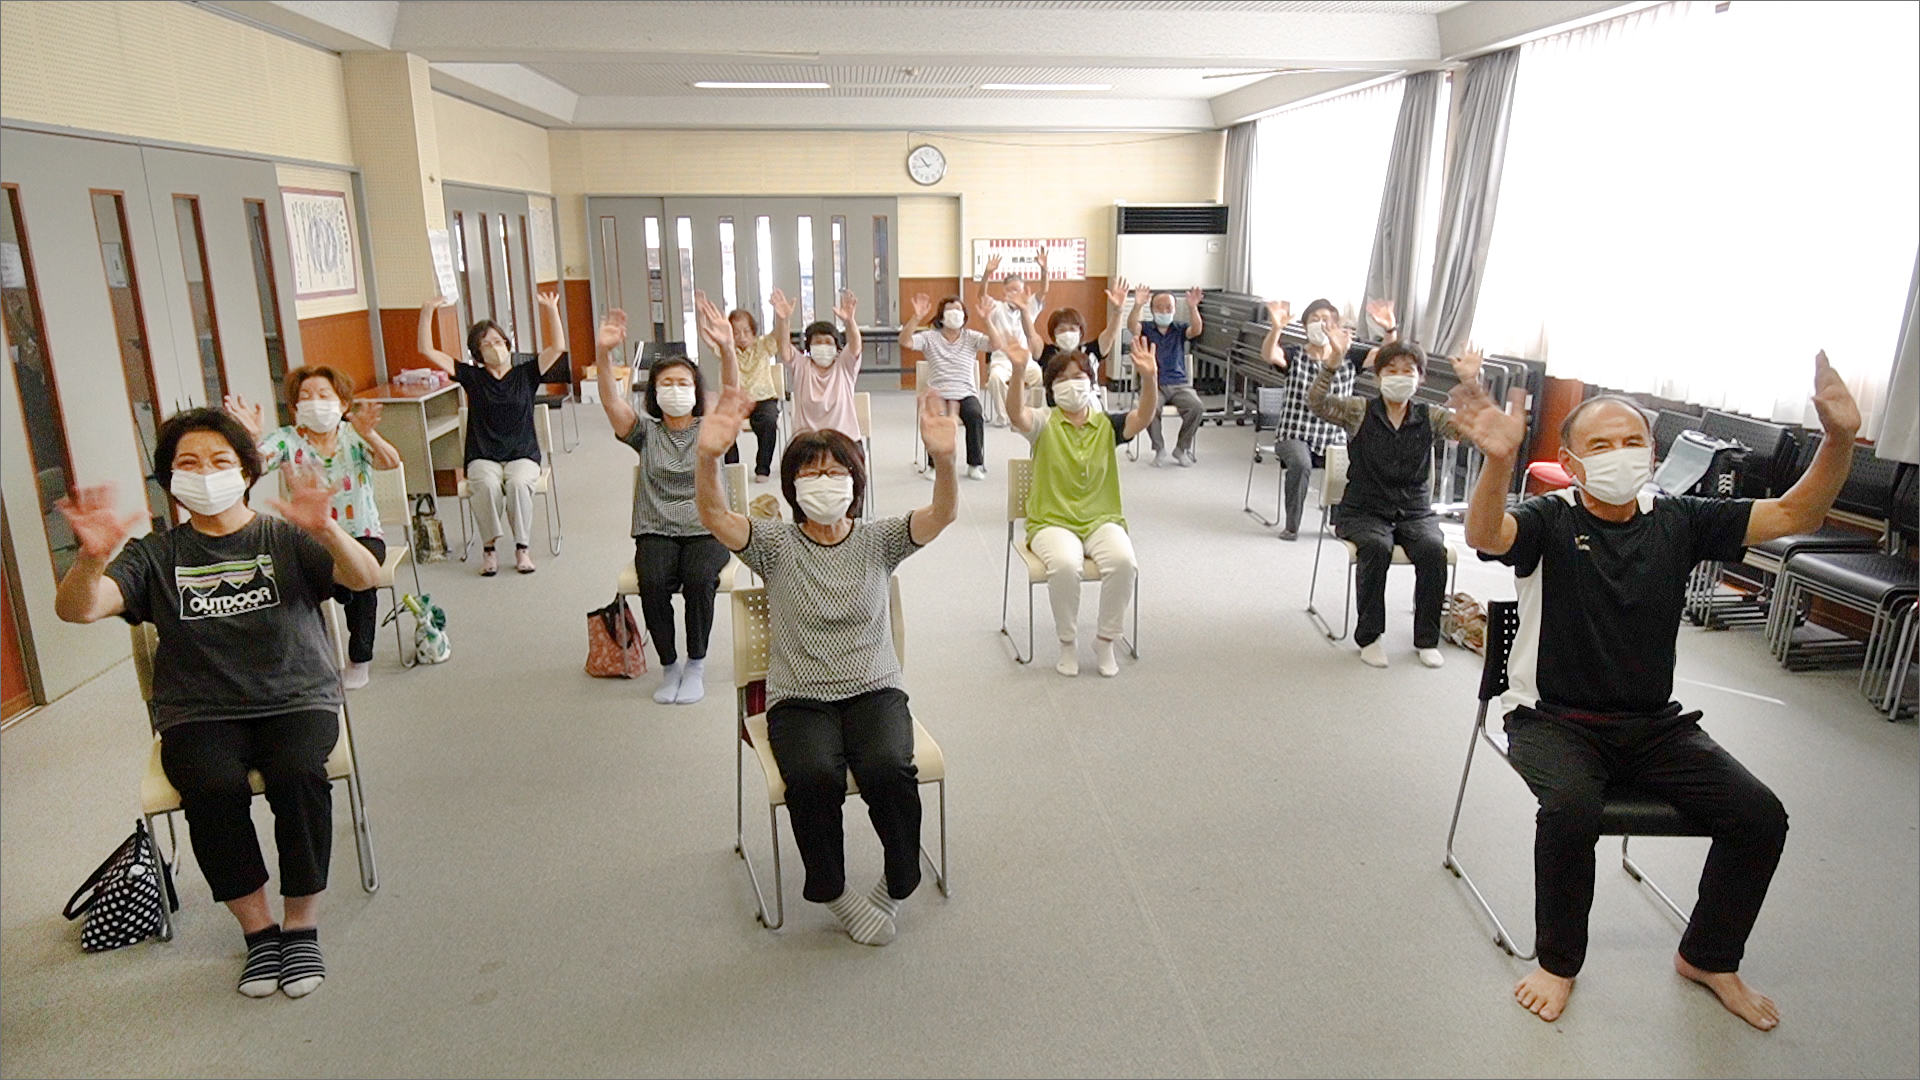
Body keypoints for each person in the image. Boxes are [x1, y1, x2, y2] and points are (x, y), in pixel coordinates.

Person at [1450, 351, 1860, 1031]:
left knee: (1759, 815)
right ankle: (1559, 963)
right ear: (1572, 462)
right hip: (1553, 719)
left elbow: (1793, 511)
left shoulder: (1678, 518)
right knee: (1572, 812)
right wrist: (1497, 463)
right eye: (1600, 446)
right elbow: (1488, 533)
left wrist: (1840, 440)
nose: (1620, 454)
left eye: (1632, 441)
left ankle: (1709, 956)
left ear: (1654, 451)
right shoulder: (1551, 519)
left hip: (1653, 725)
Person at [53, 408, 381, 999]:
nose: (205, 473)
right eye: (188, 463)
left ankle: (301, 926)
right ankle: (259, 934)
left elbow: (365, 579)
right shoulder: (155, 553)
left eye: (220, 461)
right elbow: (78, 608)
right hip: (199, 710)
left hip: (294, 698)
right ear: (168, 477)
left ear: (247, 470)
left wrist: (328, 530)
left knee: (297, 773)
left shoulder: (283, 537)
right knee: (210, 788)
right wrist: (92, 556)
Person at [693, 381, 960, 946]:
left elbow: (941, 514)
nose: (823, 483)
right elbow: (716, 517)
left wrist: (943, 460)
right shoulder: (775, 545)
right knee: (813, 779)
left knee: (890, 769)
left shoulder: (878, 539)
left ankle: (898, 880)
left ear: (855, 483)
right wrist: (709, 456)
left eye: (834, 472)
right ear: (791, 486)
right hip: (801, 699)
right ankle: (835, 891)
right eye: (810, 474)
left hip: (874, 689)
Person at [987, 294, 1159, 678]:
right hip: (1052, 521)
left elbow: (1144, 415)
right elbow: (1016, 413)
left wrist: (1149, 377)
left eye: (1080, 378)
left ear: (1092, 384)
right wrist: (1018, 371)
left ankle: (1105, 639)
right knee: (1064, 565)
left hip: (1101, 519)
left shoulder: (1105, 425)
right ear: (1051, 389)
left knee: (1123, 562)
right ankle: (1067, 642)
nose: (1072, 385)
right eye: (1062, 380)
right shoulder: (1044, 423)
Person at [224, 367, 401, 689]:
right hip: (309, 539)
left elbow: (391, 462)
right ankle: (302, 656)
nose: (314, 403)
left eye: (323, 395)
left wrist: (370, 433)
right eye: (305, 397)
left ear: (343, 404)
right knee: (288, 578)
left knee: (361, 580)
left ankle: (359, 658)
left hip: (361, 533)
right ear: (294, 408)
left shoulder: (354, 435)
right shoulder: (288, 439)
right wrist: (250, 439)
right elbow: (253, 467)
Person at [595, 304, 734, 706]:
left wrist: (726, 350)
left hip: (706, 526)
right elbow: (609, 402)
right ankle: (669, 664)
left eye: (683, 382)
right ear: (655, 392)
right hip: (656, 528)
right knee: (651, 581)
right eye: (667, 382)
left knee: (697, 580)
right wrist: (604, 355)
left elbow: (731, 393)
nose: (676, 389)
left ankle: (696, 664)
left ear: (695, 390)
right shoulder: (645, 432)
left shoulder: (711, 428)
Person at [1308, 325, 1457, 669]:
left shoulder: (1430, 416)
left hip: (1415, 511)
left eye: (1409, 371)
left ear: (1420, 379)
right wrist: (1332, 363)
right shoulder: (1359, 410)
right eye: (1391, 371)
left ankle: (1426, 639)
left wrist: (1472, 387)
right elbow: (1316, 403)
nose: (1400, 377)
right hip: (1364, 510)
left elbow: (1469, 432)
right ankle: (1371, 636)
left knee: (1433, 550)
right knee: (1375, 548)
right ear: (1377, 379)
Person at [416, 293, 568, 575]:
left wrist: (551, 309)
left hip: (522, 453)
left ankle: (522, 548)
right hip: (482, 454)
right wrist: (427, 313)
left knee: (518, 484)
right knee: (485, 485)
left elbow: (558, 346)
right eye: (486, 344)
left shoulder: (527, 373)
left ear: (508, 345)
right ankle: (489, 549)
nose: (494, 347)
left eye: (498, 341)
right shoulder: (472, 377)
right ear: (477, 353)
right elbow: (427, 349)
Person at [1258, 298, 1375, 541]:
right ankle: (1292, 525)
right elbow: (1269, 354)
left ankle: (1338, 522)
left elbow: (1386, 356)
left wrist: (1389, 329)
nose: (1321, 325)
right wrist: (1276, 328)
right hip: (1295, 434)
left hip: (1334, 436)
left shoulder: (1350, 356)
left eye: (1326, 320)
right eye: (1315, 320)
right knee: (1301, 464)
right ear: (1304, 327)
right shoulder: (1295, 355)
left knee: (1355, 461)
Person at [901, 292, 991, 480]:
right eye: (950, 310)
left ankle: (975, 463)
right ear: (941, 317)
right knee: (936, 416)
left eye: (958, 310)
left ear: (964, 316)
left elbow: (996, 345)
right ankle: (934, 465)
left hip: (965, 392)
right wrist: (916, 317)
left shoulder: (971, 337)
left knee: (975, 414)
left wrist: (987, 320)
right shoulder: (930, 337)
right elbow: (905, 341)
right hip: (938, 394)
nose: (954, 314)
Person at [1127, 285, 1205, 467]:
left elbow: (1196, 330)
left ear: (1174, 310)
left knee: (1197, 407)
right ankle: (1159, 448)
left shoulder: (1179, 328)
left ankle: (1181, 448)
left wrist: (1193, 307)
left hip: (1179, 384)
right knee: (1150, 409)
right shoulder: (1146, 328)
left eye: (1168, 308)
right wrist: (1137, 305)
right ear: (1152, 310)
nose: (1164, 311)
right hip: (1153, 383)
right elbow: (1132, 326)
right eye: (1160, 308)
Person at [723, 294, 790, 484]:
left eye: (746, 331)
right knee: (724, 423)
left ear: (753, 332)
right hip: (735, 400)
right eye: (736, 332)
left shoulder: (763, 346)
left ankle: (763, 468)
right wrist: (704, 318)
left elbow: (779, 335)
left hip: (764, 398)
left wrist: (782, 317)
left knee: (768, 421)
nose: (742, 337)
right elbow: (709, 340)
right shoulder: (727, 350)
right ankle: (732, 468)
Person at [784, 290, 865, 441]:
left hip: (844, 440)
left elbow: (855, 345)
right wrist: (783, 320)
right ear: (809, 347)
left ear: (837, 346)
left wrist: (849, 321)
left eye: (828, 342)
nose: (823, 346)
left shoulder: (844, 366)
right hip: (807, 441)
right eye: (817, 342)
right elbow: (784, 349)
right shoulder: (801, 366)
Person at [982, 252, 1047, 427]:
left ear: (1023, 290)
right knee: (995, 379)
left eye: (1017, 290)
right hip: (1001, 360)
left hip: (1025, 359)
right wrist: (987, 274)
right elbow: (982, 295)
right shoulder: (997, 307)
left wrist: (1044, 270)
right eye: (1009, 290)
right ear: (1004, 291)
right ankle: (1004, 416)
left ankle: (1030, 412)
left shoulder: (1029, 306)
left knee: (1038, 377)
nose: (1013, 293)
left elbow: (1043, 291)